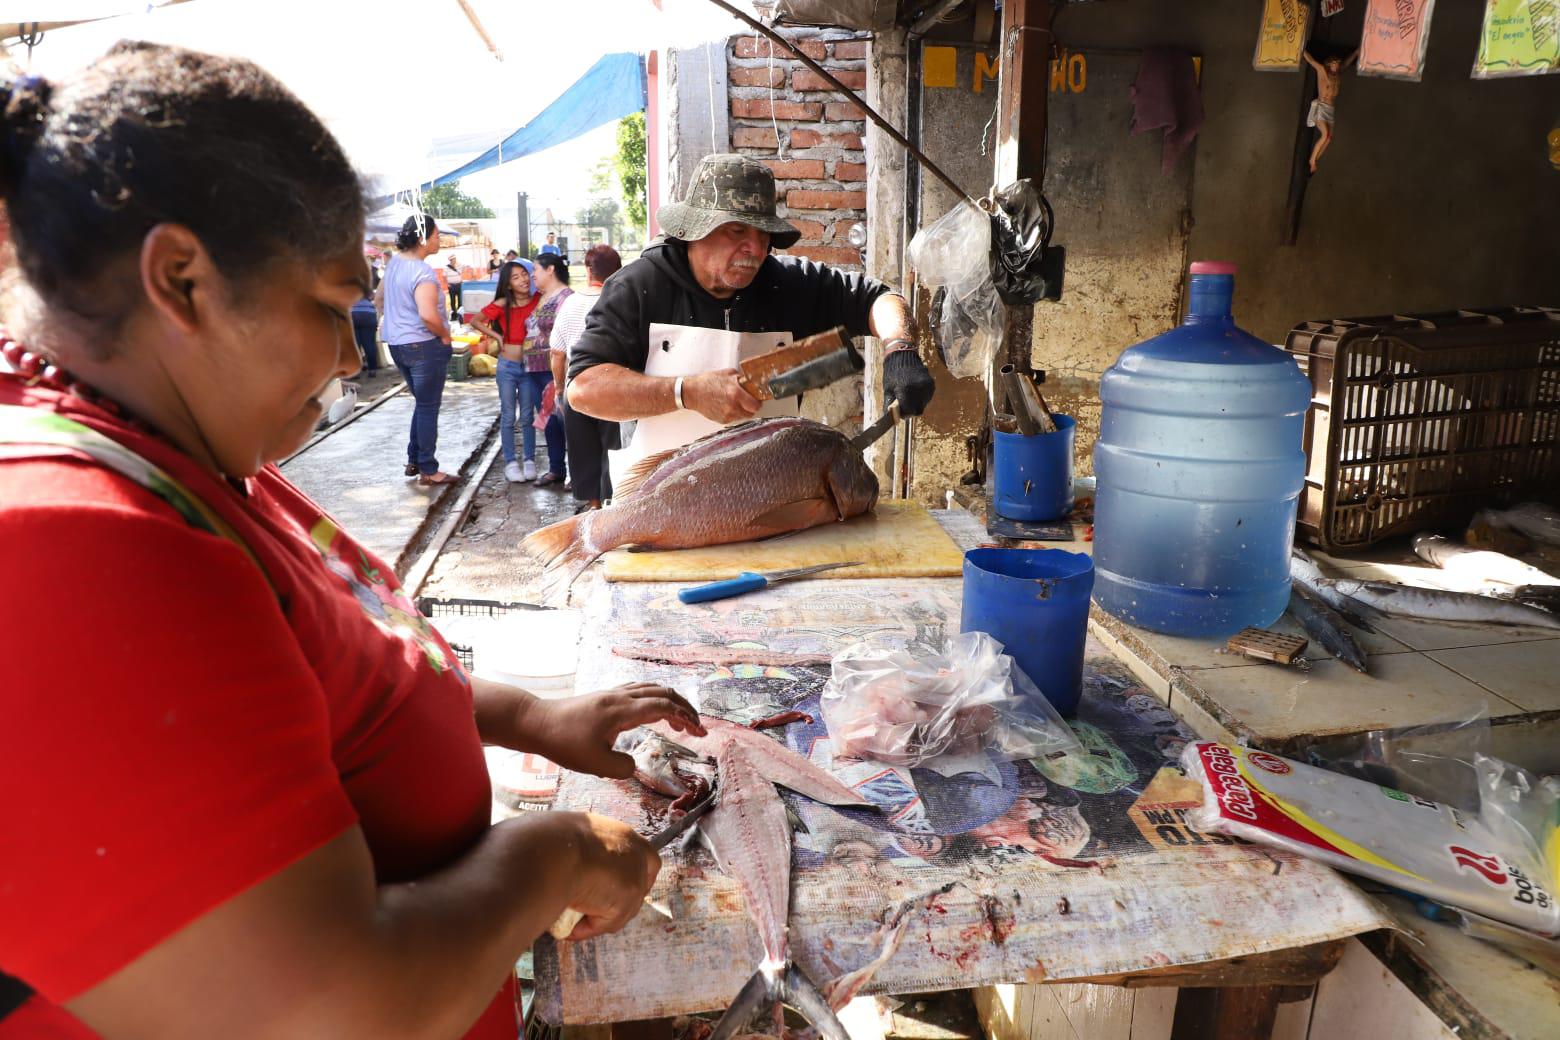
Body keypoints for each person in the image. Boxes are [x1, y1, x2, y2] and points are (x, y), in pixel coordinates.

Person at [0, 43, 700, 1040]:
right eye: (333, 306)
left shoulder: (184, 450)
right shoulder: (63, 546)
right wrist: (560, 853)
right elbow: (333, 1012)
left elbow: (348, 659)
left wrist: (531, 717)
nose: (346, 354)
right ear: (182, 281)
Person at [567, 153, 934, 483]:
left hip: (766, 493)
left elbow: (879, 298)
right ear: (694, 230)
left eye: (763, 234)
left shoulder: (788, 283)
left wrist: (899, 348)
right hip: (659, 493)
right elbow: (584, 389)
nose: (755, 249)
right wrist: (686, 392)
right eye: (737, 230)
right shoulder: (640, 287)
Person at [376, 214, 456, 484]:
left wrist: (397, 320)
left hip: (398, 345)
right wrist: (445, 336)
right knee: (428, 407)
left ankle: (415, 459)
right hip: (423, 346)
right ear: (423, 238)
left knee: (422, 404)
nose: (439, 240)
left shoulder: (393, 265)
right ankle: (429, 469)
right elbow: (428, 315)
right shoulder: (422, 272)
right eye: (436, 235)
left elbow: (378, 299)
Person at [551, 244, 622, 510]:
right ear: (618, 270)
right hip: (614, 385)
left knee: (583, 449)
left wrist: (559, 387)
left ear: (588, 270)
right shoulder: (621, 300)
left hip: (578, 386)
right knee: (612, 448)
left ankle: (594, 506)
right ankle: (611, 504)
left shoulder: (570, 303)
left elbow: (557, 353)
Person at [470, 259, 541, 483]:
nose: (523, 280)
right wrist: (497, 336)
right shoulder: (503, 303)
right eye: (516, 277)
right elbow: (476, 321)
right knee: (509, 416)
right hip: (508, 367)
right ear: (508, 284)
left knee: (528, 416)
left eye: (524, 274)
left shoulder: (538, 300)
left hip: (530, 367)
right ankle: (510, 462)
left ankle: (529, 460)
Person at [526, 253, 573, 487]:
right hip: (533, 368)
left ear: (550, 269)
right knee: (548, 421)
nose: (532, 275)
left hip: (553, 368)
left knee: (565, 421)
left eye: (536, 269)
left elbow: (567, 338)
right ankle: (556, 468)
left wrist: (561, 375)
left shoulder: (566, 298)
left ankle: (576, 473)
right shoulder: (541, 297)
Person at [1302, 47, 1357, 173]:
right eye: (1334, 64)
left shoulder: (1338, 73)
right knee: (1325, 134)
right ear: (1329, 64)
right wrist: (1302, 50)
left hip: (1330, 110)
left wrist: (1356, 52)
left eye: (1337, 64)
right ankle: (1312, 160)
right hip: (1321, 107)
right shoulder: (1322, 71)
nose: (1336, 67)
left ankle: (1315, 160)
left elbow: (1347, 63)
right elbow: (1311, 60)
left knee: (1329, 139)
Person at [350, 295, 380, 372]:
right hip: (368, 313)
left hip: (352, 313)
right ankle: (372, 369)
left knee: (354, 345)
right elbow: (374, 298)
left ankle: (355, 371)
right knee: (369, 344)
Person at [444, 253, 464, 322]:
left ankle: (459, 315)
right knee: (452, 301)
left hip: (459, 285)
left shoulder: (459, 265)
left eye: (455, 259)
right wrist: (447, 284)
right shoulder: (446, 267)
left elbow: (465, 267)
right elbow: (444, 276)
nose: (454, 260)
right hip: (451, 286)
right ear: (450, 260)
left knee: (460, 301)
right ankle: (454, 315)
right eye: (453, 259)